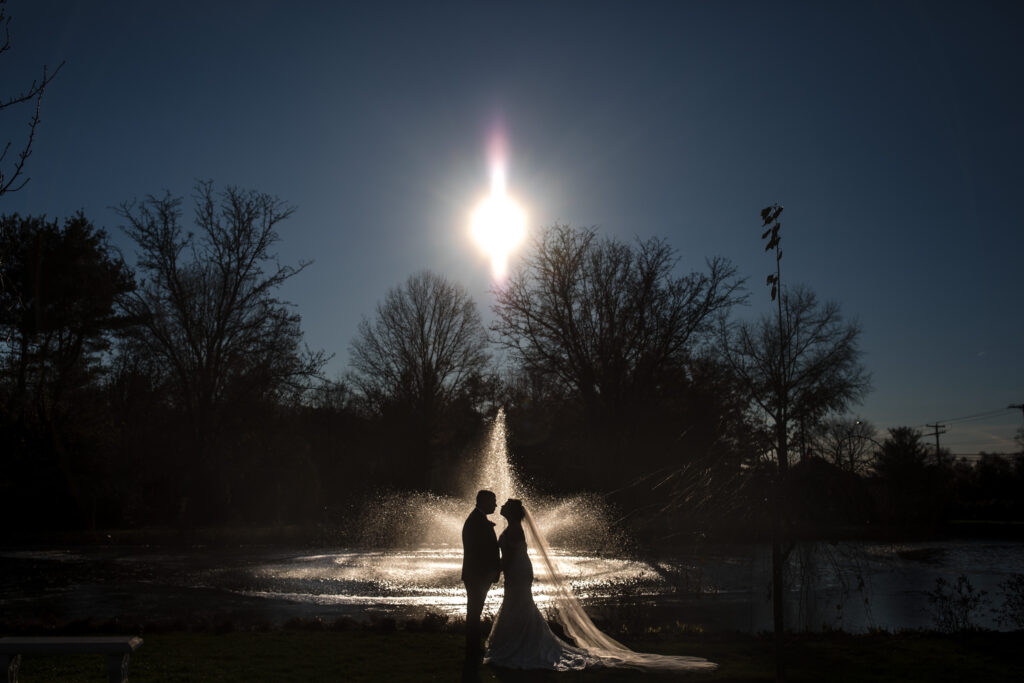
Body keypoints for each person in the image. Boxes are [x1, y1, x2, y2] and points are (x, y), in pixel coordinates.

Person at [484, 498, 718, 673]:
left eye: (505, 504)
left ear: (512, 512)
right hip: (518, 571)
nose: (501, 505)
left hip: (518, 571)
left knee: (518, 603)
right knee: (518, 604)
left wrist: (497, 569)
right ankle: (519, 639)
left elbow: (511, 557)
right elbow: (510, 556)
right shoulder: (512, 528)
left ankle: (520, 644)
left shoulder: (514, 530)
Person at [461, 489, 500, 653]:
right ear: (484, 501)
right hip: (478, 575)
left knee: (475, 610)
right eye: (493, 501)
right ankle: (473, 646)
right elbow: (481, 551)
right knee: (475, 610)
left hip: (477, 574)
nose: (496, 505)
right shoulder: (476, 521)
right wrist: (494, 569)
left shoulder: (478, 519)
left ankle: (473, 645)